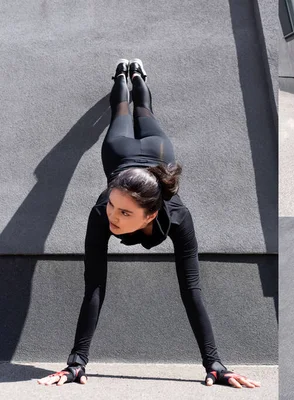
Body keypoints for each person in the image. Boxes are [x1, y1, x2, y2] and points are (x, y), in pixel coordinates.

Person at [37, 59, 260, 389]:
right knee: (122, 111)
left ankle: (139, 75)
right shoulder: (102, 214)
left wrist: (213, 362)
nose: (113, 216)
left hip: (159, 154)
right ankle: (121, 75)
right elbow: (94, 285)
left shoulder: (179, 220)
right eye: (112, 205)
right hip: (120, 154)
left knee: (144, 112)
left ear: (152, 216)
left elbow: (191, 289)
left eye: (125, 214)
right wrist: (76, 362)